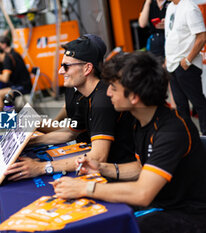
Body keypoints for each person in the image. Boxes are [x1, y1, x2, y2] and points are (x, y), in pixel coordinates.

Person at [52, 52, 206, 233]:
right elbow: (143, 168)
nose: (108, 92)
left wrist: (86, 187)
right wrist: (101, 168)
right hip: (161, 203)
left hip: (188, 214)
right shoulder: (140, 118)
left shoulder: (171, 130)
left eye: (113, 88)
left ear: (134, 97)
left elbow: (142, 193)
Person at [4, 34, 135, 181]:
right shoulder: (83, 93)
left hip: (119, 173)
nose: (60, 71)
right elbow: (71, 132)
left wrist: (41, 167)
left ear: (87, 69)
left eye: (66, 66)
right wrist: (29, 142)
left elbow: (98, 157)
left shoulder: (101, 100)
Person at [165, 0, 206, 135]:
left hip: (186, 65)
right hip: (172, 64)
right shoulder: (170, 7)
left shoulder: (189, 7)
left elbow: (202, 36)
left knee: (198, 103)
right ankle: (189, 140)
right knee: (181, 106)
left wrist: (188, 60)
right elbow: (170, 36)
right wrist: (167, 59)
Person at [0, 42, 32, 131]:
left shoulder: (7, 59)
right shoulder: (3, 60)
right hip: (16, 86)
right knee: (2, 93)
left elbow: (5, 78)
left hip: (23, 87)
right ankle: (7, 122)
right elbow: (0, 73)